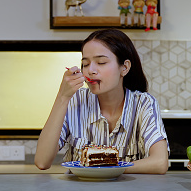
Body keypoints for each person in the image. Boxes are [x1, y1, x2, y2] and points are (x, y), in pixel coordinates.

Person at [34, 29, 169, 174]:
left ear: (124, 67)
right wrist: (62, 96)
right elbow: (42, 161)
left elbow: (160, 162)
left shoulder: (143, 103)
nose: (90, 70)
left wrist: (107, 169)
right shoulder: (76, 100)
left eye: (101, 62)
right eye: (85, 64)